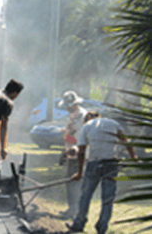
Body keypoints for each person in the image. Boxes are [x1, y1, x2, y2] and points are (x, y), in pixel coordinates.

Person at [64, 111, 138, 234]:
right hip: (111, 164)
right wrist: (133, 157)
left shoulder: (86, 126)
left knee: (85, 195)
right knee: (108, 198)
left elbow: (81, 150)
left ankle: (79, 223)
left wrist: (80, 173)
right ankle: (102, 227)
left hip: (94, 164)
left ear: (87, 118)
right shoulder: (114, 123)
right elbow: (126, 142)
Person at [58, 91, 87, 219]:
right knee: (69, 182)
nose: (67, 108)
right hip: (71, 154)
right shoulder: (73, 115)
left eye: (69, 106)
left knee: (76, 184)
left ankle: (76, 212)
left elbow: (81, 138)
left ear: (75, 104)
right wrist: (64, 151)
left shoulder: (82, 116)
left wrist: (73, 148)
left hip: (79, 155)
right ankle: (71, 208)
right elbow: (70, 136)